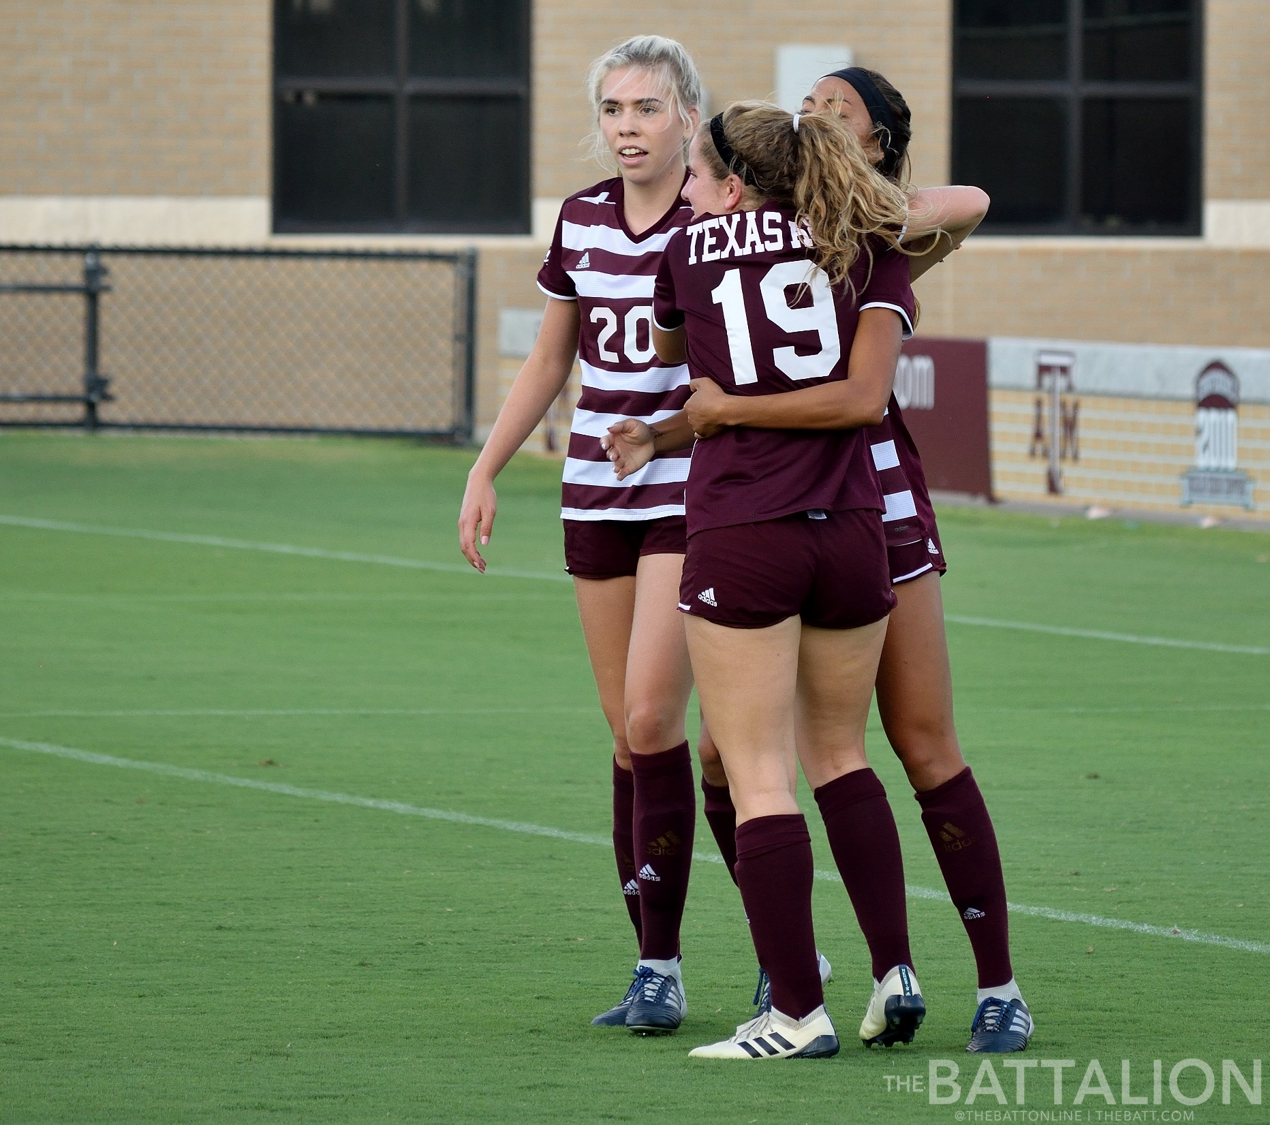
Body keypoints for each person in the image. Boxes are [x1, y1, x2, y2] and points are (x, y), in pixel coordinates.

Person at [608, 67, 1032, 1056]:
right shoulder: (853, 245)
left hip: (828, 506)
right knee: (804, 753)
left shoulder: (854, 230)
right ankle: (870, 973)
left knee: (892, 748)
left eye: (838, 115)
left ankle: (844, 996)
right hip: (839, 512)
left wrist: (702, 415)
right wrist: (678, 430)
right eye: (806, 118)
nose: (818, 122)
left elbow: (700, 346)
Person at [641, 100, 925, 1060]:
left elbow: (675, 358)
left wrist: (725, 400)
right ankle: (895, 968)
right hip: (851, 526)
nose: (685, 189)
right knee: (843, 754)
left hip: (744, 526)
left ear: (728, 181)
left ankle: (797, 1010)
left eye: (697, 175)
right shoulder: (861, 240)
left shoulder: (690, 248)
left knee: (757, 772)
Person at [459, 35, 713, 1036]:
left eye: (647, 108)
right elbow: (548, 359)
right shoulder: (580, 219)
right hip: (591, 497)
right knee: (628, 737)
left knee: (653, 719)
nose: (627, 127)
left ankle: (745, 951)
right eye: (613, 110)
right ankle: (659, 966)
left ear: (689, 115)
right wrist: (485, 468)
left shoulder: (717, 219)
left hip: (690, 489)